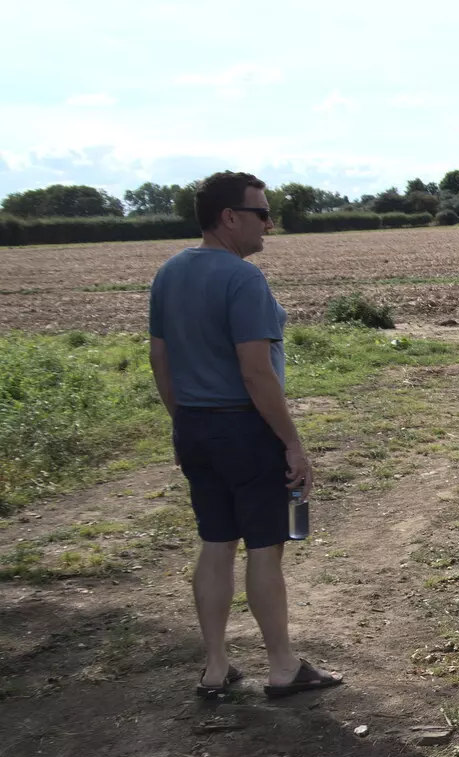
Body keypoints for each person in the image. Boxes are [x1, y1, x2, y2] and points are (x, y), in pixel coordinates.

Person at [148, 170, 343, 699]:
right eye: (261, 213)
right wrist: (292, 443)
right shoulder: (243, 279)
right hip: (244, 428)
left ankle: (215, 667)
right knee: (264, 547)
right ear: (229, 217)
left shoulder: (169, 273)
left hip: (194, 426)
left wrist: (183, 418)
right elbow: (256, 370)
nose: (269, 224)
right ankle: (282, 667)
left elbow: (159, 358)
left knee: (215, 543)